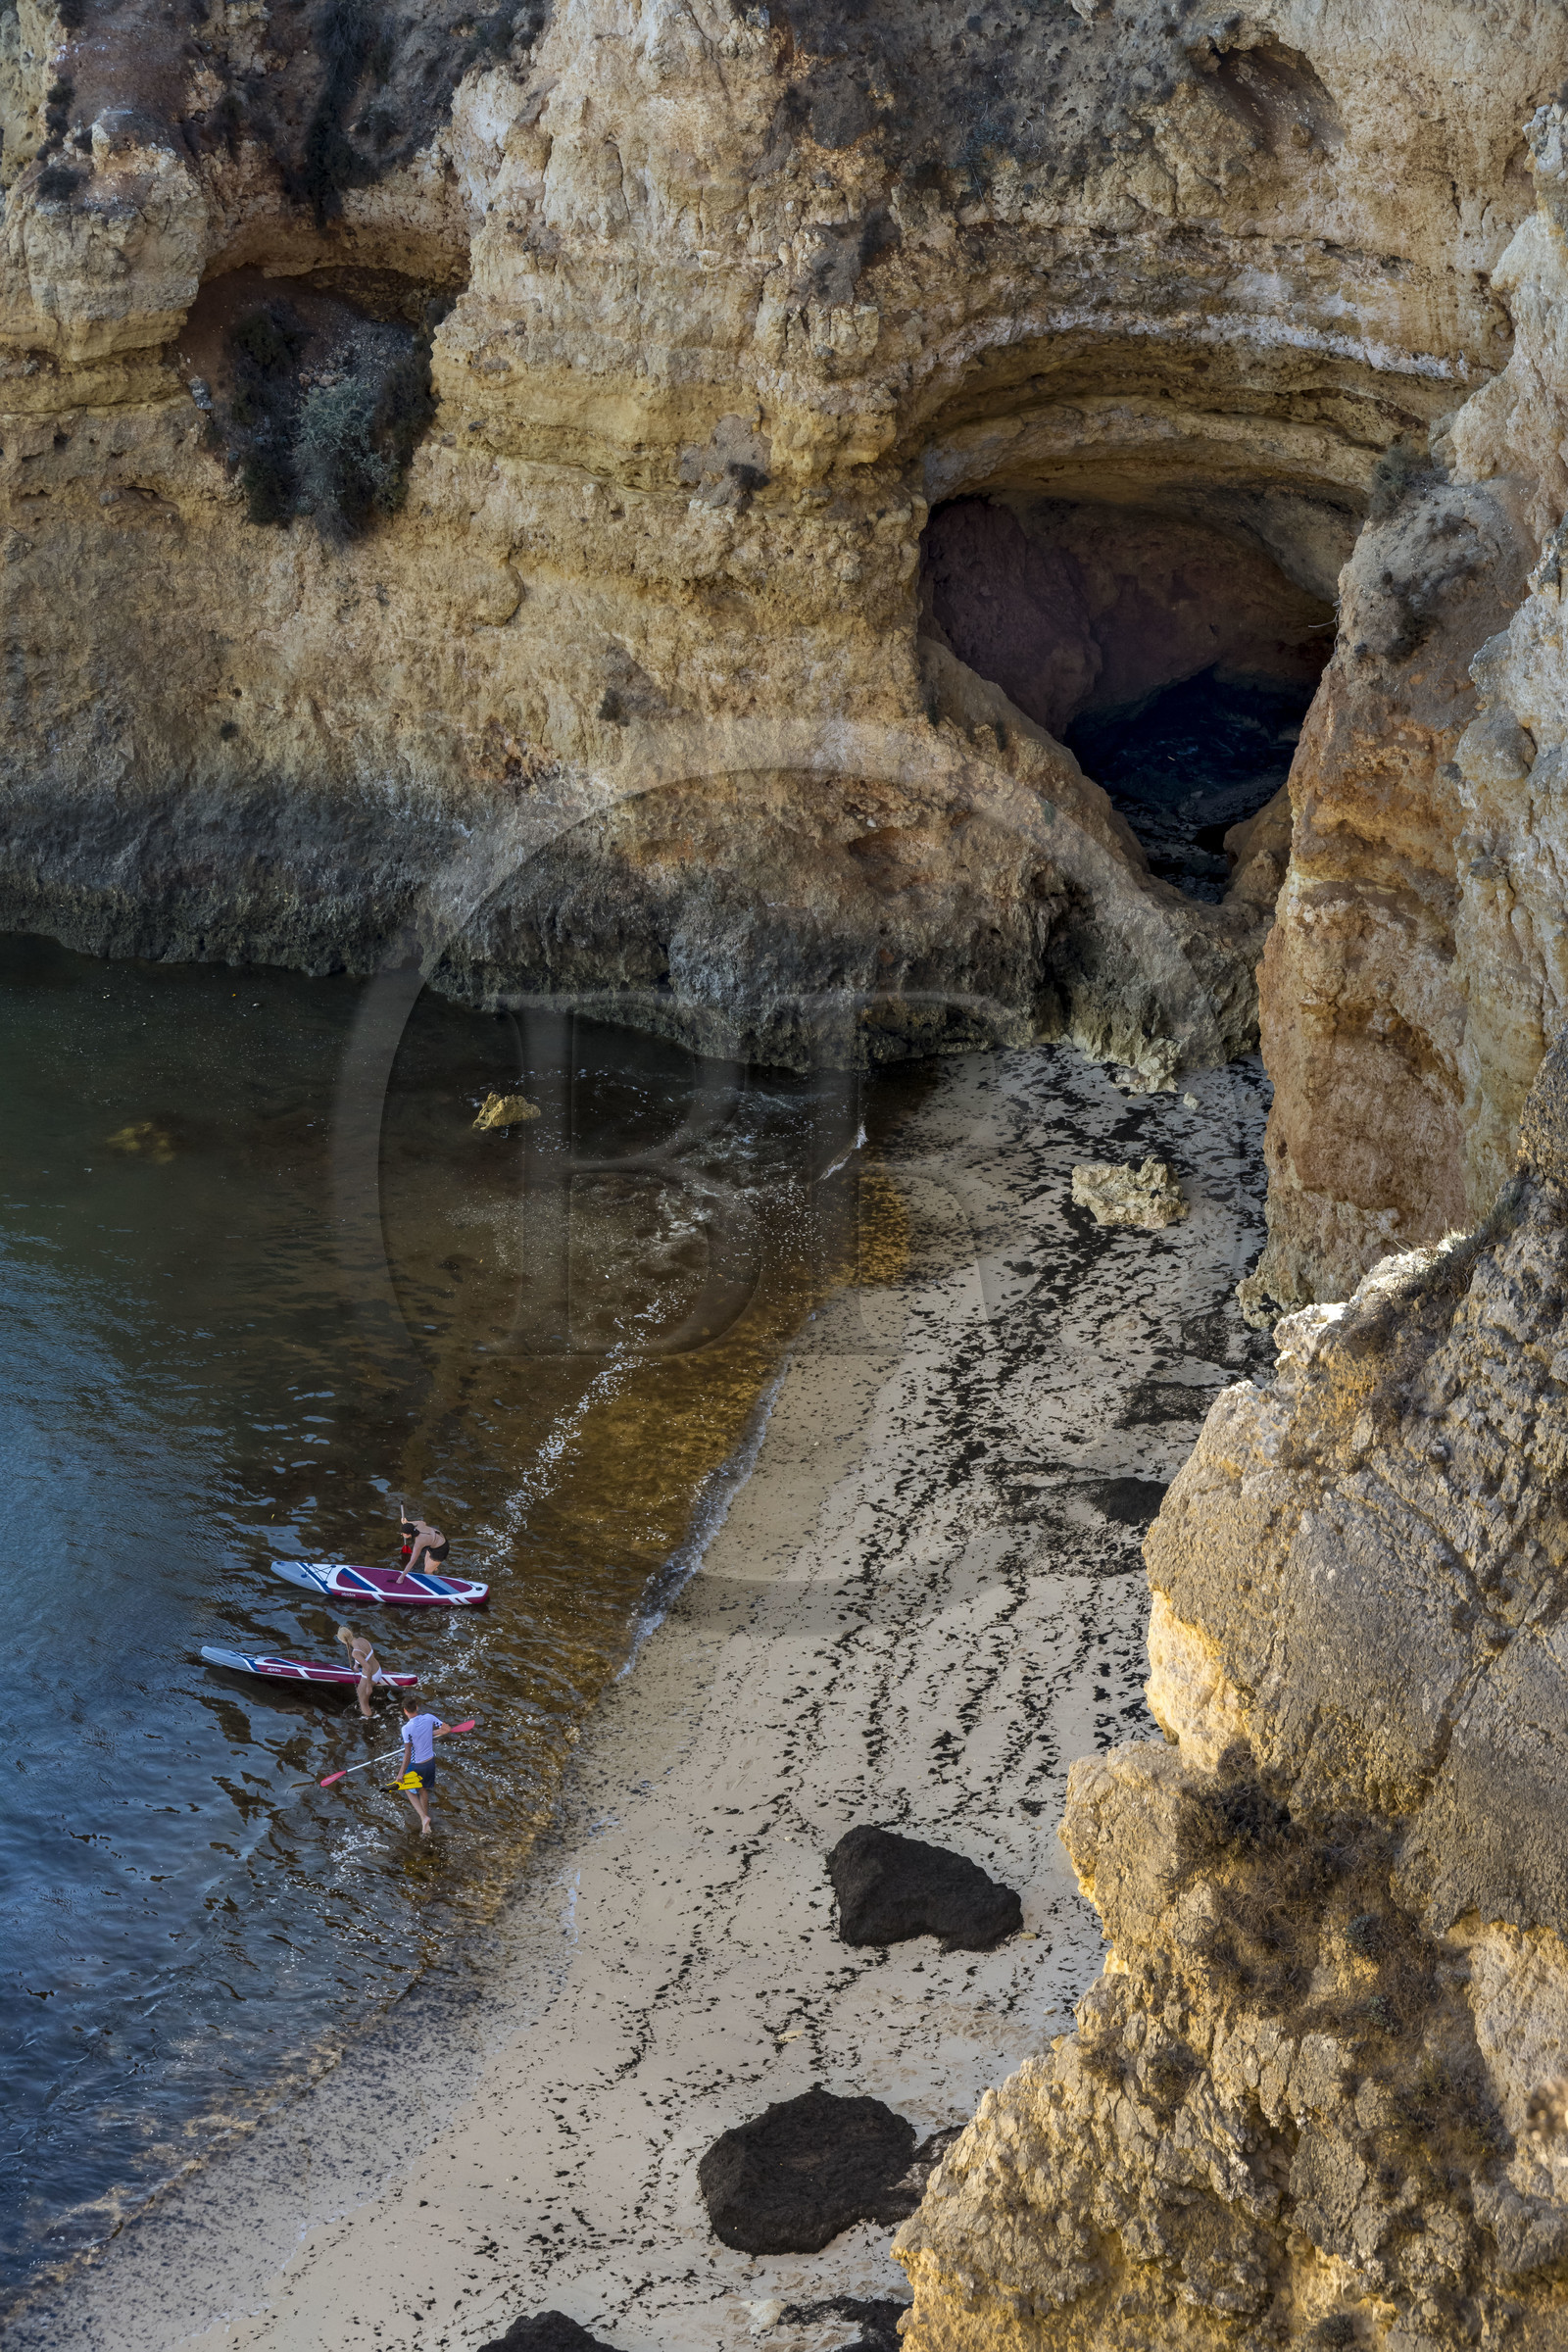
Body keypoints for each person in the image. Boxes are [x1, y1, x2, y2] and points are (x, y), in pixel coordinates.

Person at [394, 1692, 448, 1838]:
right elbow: (446, 1729)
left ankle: (424, 1817)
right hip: (430, 1763)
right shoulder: (429, 1718)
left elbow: (407, 1753)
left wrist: (400, 1774)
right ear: (417, 1707)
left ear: (405, 1711)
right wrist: (429, 1734)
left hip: (416, 1765)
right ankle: (426, 1823)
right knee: (423, 1789)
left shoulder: (406, 1729)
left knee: (405, 1787)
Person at [335, 1623, 390, 1721]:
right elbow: (364, 1655)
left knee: (362, 1700)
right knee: (361, 1693)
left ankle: (370, 1720)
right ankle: (371, 1714)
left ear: (343, 1641)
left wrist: (369, 1686)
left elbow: (368, 1668)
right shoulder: (362, 1640)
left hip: (371, 1675)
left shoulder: (355, 1653)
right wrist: (356, 1666)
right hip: (378, 1669)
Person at [396, 1496, 450, 1583]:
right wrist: (407, 1522)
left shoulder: (419, 1542)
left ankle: (436, 1586)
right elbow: (423, 1523)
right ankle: (436, 1570)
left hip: (441, 1549)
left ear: (409, 1534)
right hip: (435, 1541)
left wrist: (401, 1577)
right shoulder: (418, 1524)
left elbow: (412, 1561)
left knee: (427, 1571)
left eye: (403, 1533)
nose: (402, 1534)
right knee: (427, 1565)